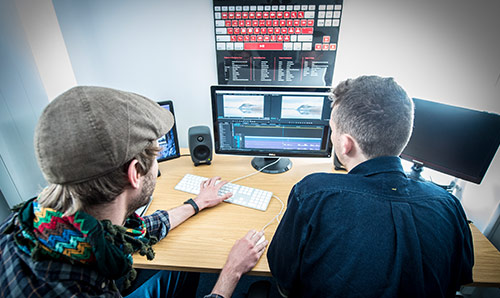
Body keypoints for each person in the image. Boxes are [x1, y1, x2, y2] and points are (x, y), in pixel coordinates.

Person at [0, 86, 268, 297]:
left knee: (182, 270)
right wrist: (231, 270)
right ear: (134, 173)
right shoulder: (80, 290)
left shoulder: (36, 220)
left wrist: (196, 203)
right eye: (155, 158)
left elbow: (127, 233)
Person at [267, 75, 474, 297]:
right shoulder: (449, 204)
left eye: (333, 130)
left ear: (346, 144)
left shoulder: (313, 193)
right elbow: (460, 278)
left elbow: (283, 276)